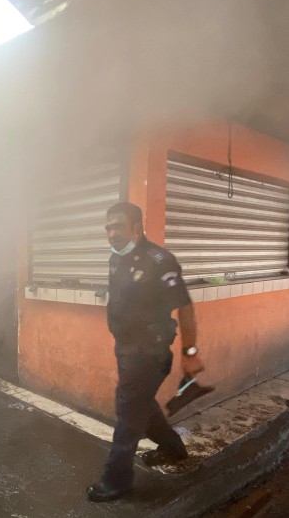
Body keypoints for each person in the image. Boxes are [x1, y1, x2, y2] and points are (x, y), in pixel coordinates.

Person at [86, 202, 206, 502]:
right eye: (108, 227)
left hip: (150, 352)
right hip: (126, 349)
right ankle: (172, 448)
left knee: (127, 410)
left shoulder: (160, 260)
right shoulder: (116, 259)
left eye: (118, 226)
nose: (111, 233)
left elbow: (185, 307)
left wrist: (190, 352)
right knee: (139, 403)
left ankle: (117, 481)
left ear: (136, 227)